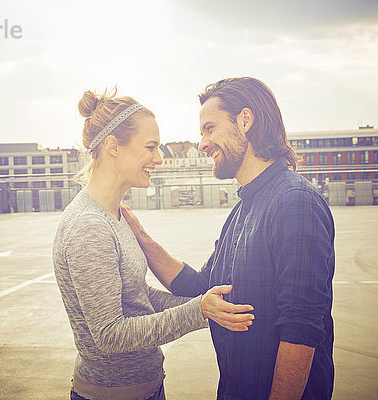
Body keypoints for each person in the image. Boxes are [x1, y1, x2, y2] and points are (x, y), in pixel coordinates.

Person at [121, 77, 335, 400]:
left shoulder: (294, 202)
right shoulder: (242, 210)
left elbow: (300, 332)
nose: (202, 143)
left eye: (210, 128)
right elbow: (200, 286)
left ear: (245, 121)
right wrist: (139, 235)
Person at [52, 89, 255, 400]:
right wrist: (197, 311)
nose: (159, 159)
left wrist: (210, 310)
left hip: (144, 389)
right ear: (113, 147)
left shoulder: (115, 215)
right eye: (150, 147)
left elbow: (137, 295)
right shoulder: (88, 227)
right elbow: (110, 334)